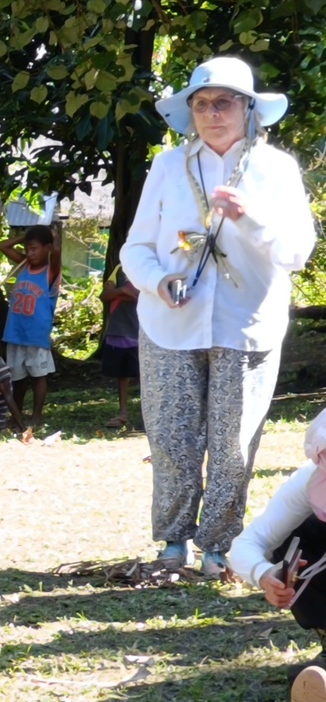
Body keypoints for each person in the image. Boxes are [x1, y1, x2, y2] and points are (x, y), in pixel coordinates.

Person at [121, 55, 316, 577]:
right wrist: (159, 281)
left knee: (232, 443)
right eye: (202, 104)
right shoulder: (168, 166)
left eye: (224, 102)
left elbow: (298, 250)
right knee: (172, 440)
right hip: (169, 324)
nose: (212, 113)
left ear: (249, 108)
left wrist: (248, 217)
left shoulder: (276, 170)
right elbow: (135, 248)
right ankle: (172, 545)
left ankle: (216, 549)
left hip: (246, 324)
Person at [0, 223, 61, 427]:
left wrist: (53, 237)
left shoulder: (51, 271)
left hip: (36, 334)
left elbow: (58, 251)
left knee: (38, 376)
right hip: (15, 331)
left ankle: (36, 415)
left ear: (47, 248)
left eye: (34, 249)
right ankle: (16, 415)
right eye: (27, 249)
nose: (29, 253)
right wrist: (24, 238)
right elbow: (3, 246)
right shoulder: (24, 265)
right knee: (17, 377)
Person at [99, 266, 141, 430]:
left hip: (139, 331)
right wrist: (123, 290)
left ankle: (147, 414)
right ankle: (123, 412)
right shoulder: (119, 269)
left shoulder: (146, 267)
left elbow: (140, 296)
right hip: (118, 330)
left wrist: (118, 292)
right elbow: (105, 295)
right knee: (121, 375)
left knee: (142, 374)